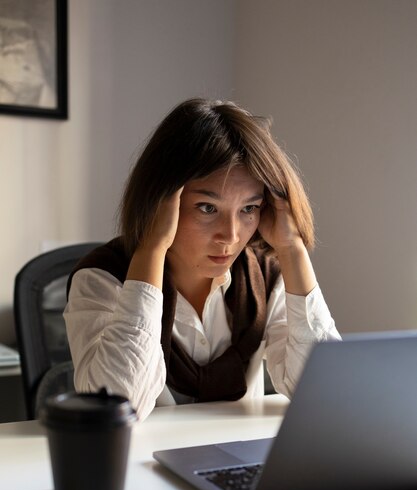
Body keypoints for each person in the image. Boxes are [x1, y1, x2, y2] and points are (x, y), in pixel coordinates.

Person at [64, 97, 340, 420]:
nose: (232, 235)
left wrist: (292, 248)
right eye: (207, 208)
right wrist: (152, 247)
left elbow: (327, 393)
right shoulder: (102, 278)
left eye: (248, 209)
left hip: (236, 463)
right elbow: (114, 405)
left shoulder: (265, 278)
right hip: (138, 466)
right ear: (161, 202)